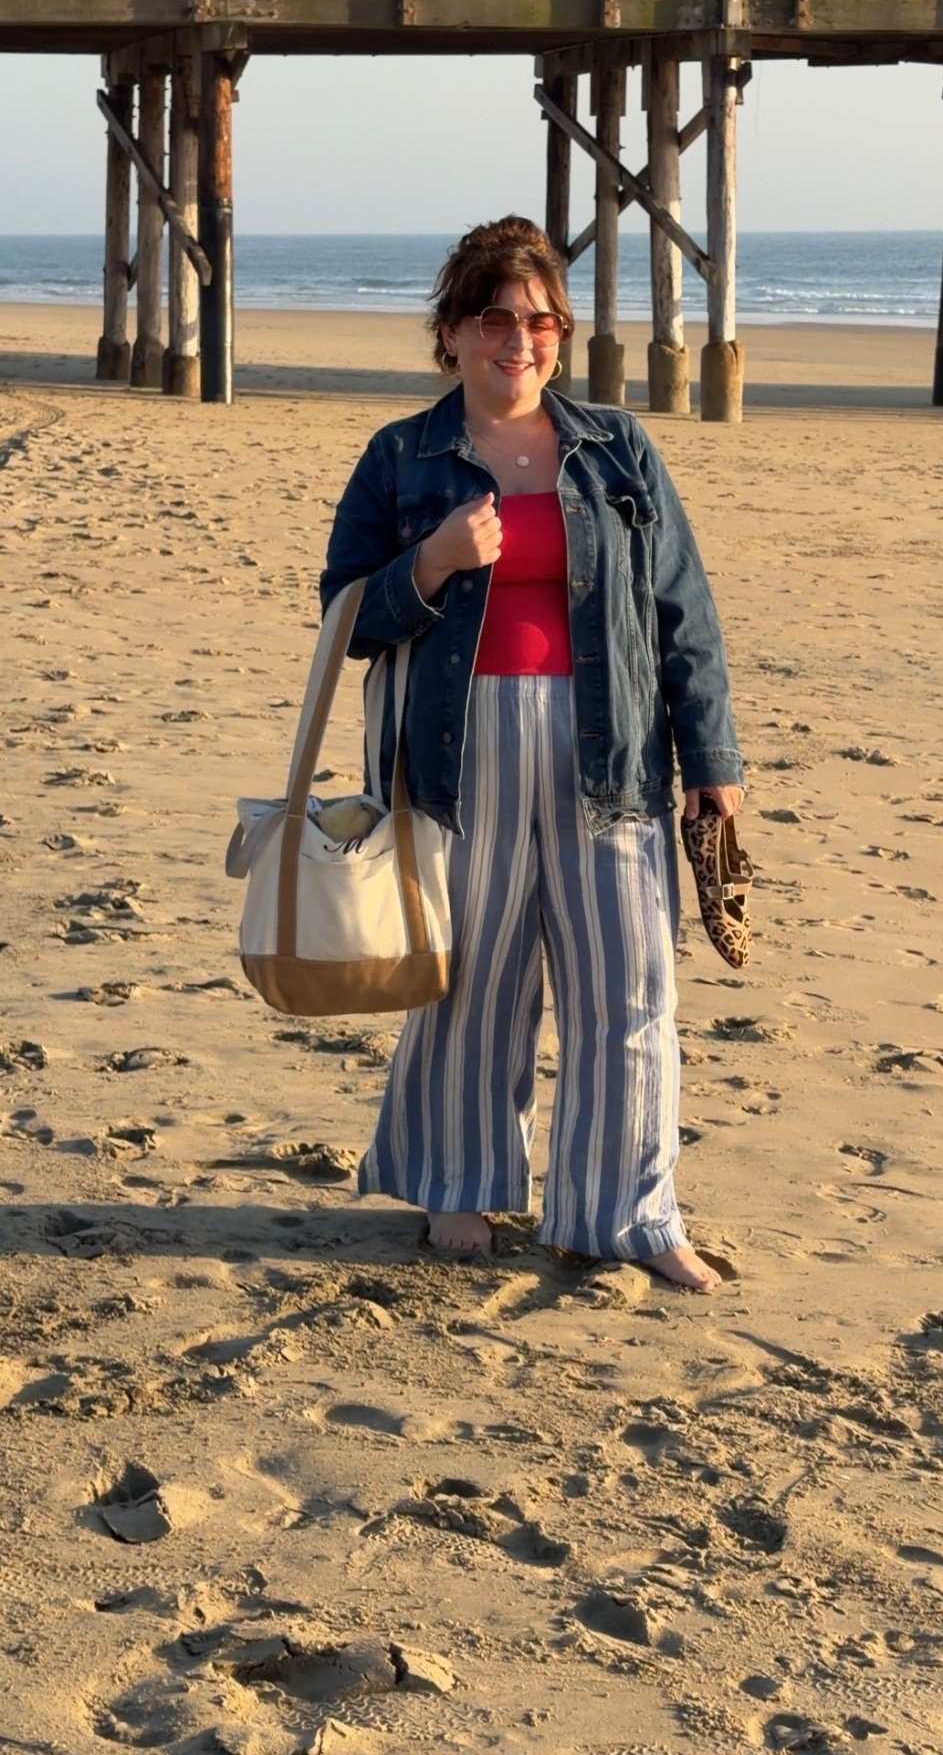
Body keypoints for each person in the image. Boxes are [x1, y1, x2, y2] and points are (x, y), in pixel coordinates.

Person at [320, 215, 744, 1292]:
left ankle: (627, 1212)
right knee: (472, 977)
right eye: (497, 317)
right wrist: (432, 558)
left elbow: (681, 606)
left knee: (629, 982)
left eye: (542, 318)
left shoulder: (615, 446)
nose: (523, 337)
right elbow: (342, 618)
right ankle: (460, 1183)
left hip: (611, 746)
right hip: (461, 753)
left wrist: (713, 757)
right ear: (452, 332)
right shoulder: (401, 457)